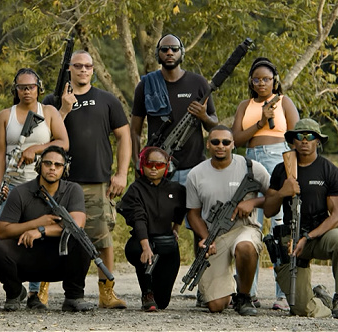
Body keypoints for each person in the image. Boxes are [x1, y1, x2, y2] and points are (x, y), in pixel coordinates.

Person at [130, 33, 218, 307]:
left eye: (174, 49)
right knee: (155, 230)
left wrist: (203, 116)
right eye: (164, 49)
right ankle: (152, 290)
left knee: (199, 229)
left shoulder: (197, 83)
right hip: (158, 169)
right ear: (158, 53)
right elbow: (134, 129)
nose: (169, 53)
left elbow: (215, 125)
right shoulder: (146, 85)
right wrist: (136, 162)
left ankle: (204, 290)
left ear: (181, 52)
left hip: (193, 167)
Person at [42, 50, 131, 309]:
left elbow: (124, 136)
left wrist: (122, 173)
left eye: (88, 66)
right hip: (58, 182)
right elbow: (44, 139)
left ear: (93, 70)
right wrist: (64, 109)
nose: (83, 70)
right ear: (69, 68)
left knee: (102, 238)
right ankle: (42, 292)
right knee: (51, 237)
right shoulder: (52, 101)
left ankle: (107, 293)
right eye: (78, 66)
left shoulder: (107, 100)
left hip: (96, 180)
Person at [0, 68, 69, 311]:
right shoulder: (5, 115)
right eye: (21, 87)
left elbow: (63, 142)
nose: (27, 91)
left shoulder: (48, 112)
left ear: (39, 87)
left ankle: (33, 294)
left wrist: (37, 149)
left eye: (31, 86)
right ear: (15, 90)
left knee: (35, 237)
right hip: (9, 186)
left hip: (37, 187)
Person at [0, 146, 96, 312]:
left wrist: (41, 230)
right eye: (48, 163)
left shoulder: (73, 190)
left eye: (58, 165)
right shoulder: (20, 192)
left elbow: (77, 225)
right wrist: (34, 223)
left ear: (64, 168)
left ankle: (74, 297)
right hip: (28, 255)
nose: (52, 168)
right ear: (39, 166)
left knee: (82, 241)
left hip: (60, 257)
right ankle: (14, 292)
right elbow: (3, 231)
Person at [231, 57, 300, 310]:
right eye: (257, 79)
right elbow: (236, 139)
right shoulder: (245, 105)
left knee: (280, 225)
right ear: (251, 81)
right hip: (251, 161)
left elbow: (295, 137)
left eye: (266, 79)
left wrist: (292, 174)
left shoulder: (284, 102)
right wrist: (260, 122)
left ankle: (282, 294)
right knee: (252, 224)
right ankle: (250, 292)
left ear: (275, 80)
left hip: (278, 159)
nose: (261, 83)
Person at [263, 118, 338, 319]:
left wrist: (309, 237)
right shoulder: (281, 169)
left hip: (319, 236)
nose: (304, 140)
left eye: (309, 136)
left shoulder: (331, 171)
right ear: (292, 140)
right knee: (300, 309)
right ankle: (322, 300)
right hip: (292, 240)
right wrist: (281, 192)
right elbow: (268, 210)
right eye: (299, 136)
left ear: (317, 141)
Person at [185, 126, 270, 316]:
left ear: (233, 144)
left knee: (246, 247)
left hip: (244, 228)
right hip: (216, 235)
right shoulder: (196, 174)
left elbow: (274, 196)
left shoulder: (251, 167)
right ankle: (230, 282)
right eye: (215, 142)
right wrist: (206, 238)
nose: (220, 146)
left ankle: (244, 296)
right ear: (208, 145)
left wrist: (253, 202)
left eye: (226, 142)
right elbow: (193, 214)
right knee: (216, 305)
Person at [117, 147, 186, 312]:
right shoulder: (136, 189)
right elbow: (138, 218)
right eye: (149, 164)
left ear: (166, 166)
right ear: (142, 165)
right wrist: (145, 246)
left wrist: (176, 227)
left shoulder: (176, 189)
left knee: (162, 302)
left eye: (159, 165)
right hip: (143, 240)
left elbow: (182, 209)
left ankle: (156, 293)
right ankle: (146, 292)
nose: (154, 168)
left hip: (166, 242)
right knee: (139, 251)